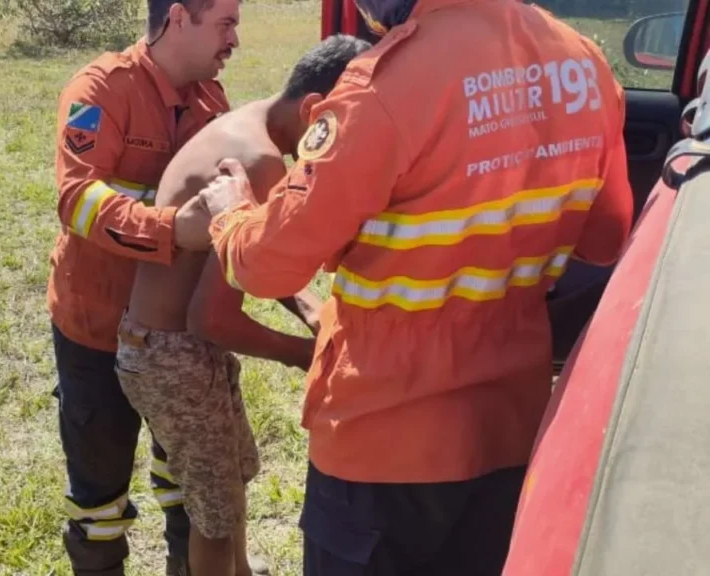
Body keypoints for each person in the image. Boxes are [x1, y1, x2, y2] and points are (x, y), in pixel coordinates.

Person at [176, 0, 635, 574]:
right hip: (510, 424)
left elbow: (267, 267)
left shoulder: (384, 86)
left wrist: (232, 213)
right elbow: (606, 239)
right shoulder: (585, 65)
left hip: (382, 438)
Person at [116, 33, 372, 576]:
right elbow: (211, 319)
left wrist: (305, 306)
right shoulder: (259, 163)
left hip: (170, 350)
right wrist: (305, 354)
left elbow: (240, 255)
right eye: (339, 130)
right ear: (313, 109)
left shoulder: (250, 125)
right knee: (213, 516)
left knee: (230, 487)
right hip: (173, 356)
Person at [46, 0, 244, 573]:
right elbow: (77, 198)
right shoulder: (100, 91)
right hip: (97, 328)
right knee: (99, 498)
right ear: (179, 17)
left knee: (188, 483)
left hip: (176, 336)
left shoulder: (212, 102)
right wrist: (171, 227)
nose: (235, 40)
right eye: (225, 24)